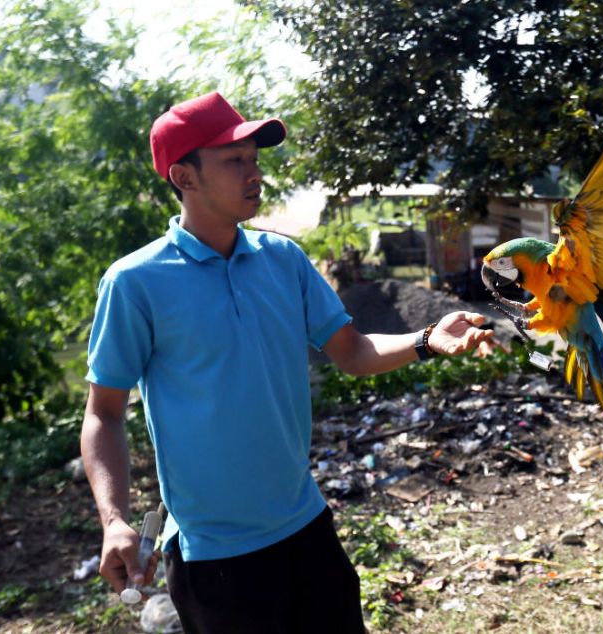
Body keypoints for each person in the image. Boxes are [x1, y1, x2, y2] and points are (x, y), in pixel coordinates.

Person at [80, 91, 496, 633]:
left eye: (254, 159)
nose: (253, 174)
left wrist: (426, 339)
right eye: (234, 161)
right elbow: (104, 414)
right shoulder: (135, 283)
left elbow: (352, 351)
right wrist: (114, 521)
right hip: (215, 556)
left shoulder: (283, 259)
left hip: (306, 529)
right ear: (184, 177)